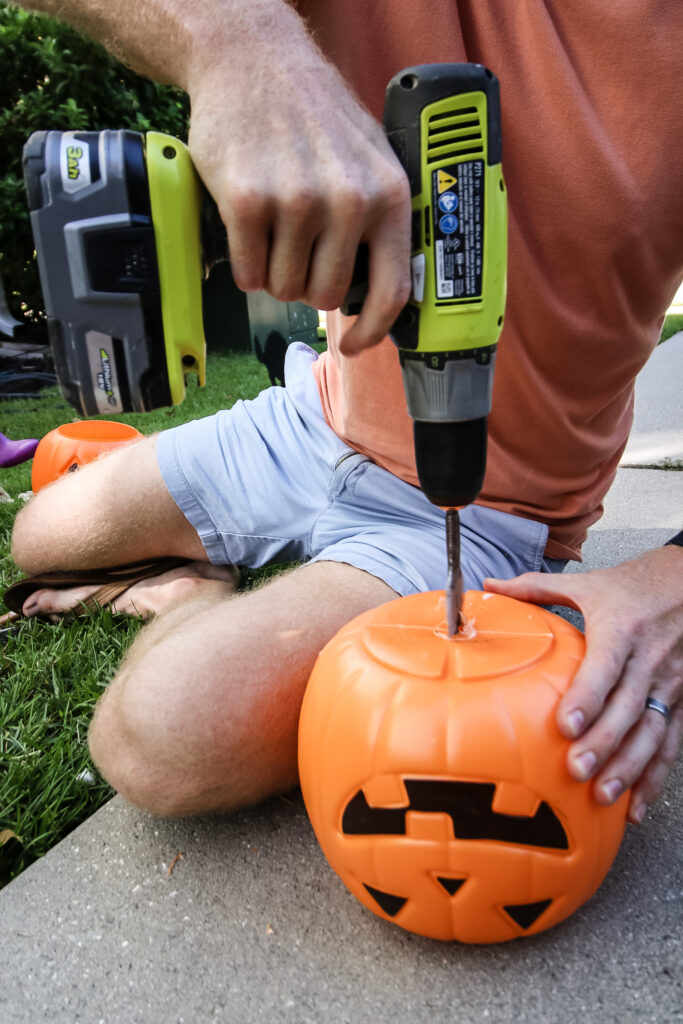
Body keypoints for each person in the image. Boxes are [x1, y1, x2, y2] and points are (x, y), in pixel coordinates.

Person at [7, 0, 683, 825]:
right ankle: (224, 566)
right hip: (313, 419)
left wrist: (673, 574)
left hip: (486, 512)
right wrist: (235, 44)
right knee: (40, 536)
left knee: (161, 737)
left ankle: (191, 598)